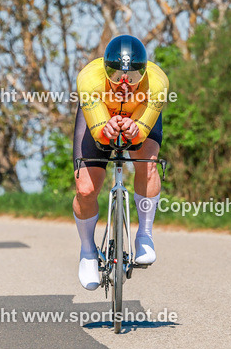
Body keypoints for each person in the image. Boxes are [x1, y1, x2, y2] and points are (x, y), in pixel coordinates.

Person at [72, 34, 169, 290]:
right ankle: (87, 251)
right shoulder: (89, 79)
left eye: (133, 78)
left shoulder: (157, 83)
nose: (124, 85)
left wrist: (136, 129)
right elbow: (99, 134)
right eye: (115, 77)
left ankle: (144, 234)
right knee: (85, 189)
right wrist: (106, 128)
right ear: (105, 71)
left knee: (148, 165)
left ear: (144, 73)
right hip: (100, 113)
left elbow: (141, 133)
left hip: (139, 114)